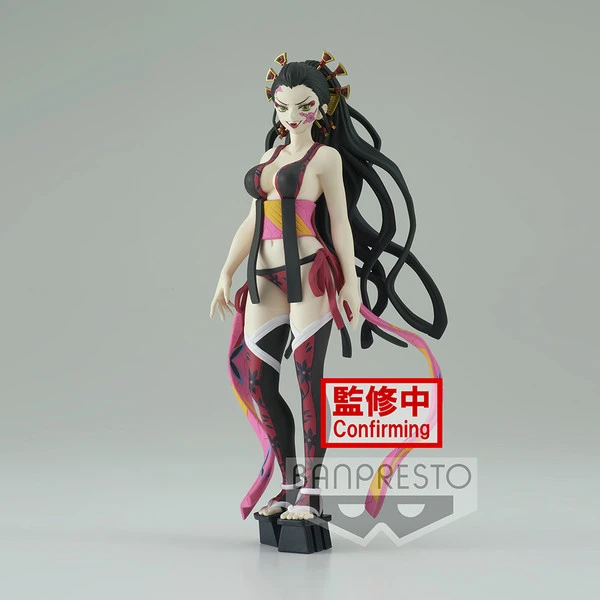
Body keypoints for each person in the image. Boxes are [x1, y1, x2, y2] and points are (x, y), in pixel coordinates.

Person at [209, 51, 447, 522]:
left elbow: (339, 221)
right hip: (262, 274)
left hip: (309, 272)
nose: (292, 116)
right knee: (258, 382)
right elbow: (252, 219)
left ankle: (312, 495)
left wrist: (351, 285)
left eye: (304, 106)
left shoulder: (326, 158)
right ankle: (289, 485)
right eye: (283, 106)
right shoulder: (269, 157)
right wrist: (225, 271)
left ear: (323, 107)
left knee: (307, 382)